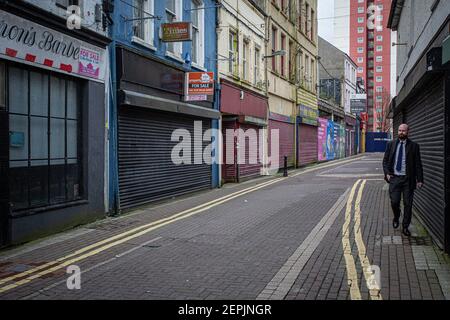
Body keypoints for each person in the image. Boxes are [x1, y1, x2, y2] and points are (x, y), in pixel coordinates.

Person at [382, 124, 424, 237]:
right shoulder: (391, 144)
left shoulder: (414, 146)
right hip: (395, 178)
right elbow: (385, 161)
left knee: (408, 204)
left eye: (403, 131)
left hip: (408, 179)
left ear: (408, 132)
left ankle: (405, 226)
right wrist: (387, 174)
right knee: (394, 202)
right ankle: (396, 216)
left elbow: (418, 164)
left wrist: (420, 179)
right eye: (399, 130)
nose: (401, 132)